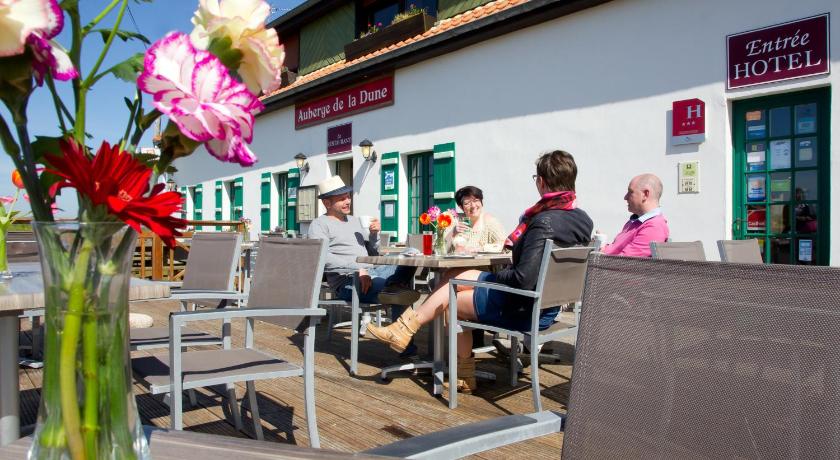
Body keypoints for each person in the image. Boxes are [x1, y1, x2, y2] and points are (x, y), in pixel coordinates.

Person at [367, 150, 593, 392]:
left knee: (450, 293)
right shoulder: (582, 219)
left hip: (525, 309)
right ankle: (441, 359)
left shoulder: (542, 221)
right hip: (546, 308)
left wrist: (491, 276)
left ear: (540, 181)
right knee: (453, 287)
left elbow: (523, 279)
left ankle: (411, 334)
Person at [307, 176, 420, 356]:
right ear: (327, 203)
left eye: (348, 196)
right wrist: (357, 268)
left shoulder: (355, 221)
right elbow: (322, 257)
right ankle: (407, 348)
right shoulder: (319, 225)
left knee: (411, 252)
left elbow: (373, 254)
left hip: (371, 271)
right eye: (342, 198)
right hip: (348, 281)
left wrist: (374, 235)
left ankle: (394, 288)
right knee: (400, 290)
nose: (348, 200)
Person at [598, 173, 669, 257]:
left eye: (630, 192)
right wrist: (602, 246)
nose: (625, 197)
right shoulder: (636, 221)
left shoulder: (654, 227)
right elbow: (617, 251)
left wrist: (598, 255)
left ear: (645, 194)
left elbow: (625, 262)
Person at [449, 186, 506, 253]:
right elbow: (439, 249)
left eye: (476, 200)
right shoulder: (456, 221)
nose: (473, 206)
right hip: (456, 263)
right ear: (461, 207)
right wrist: (452, 233)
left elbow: (505, 246)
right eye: (467, 203)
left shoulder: (490, 222)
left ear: (481, 202)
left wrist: (481, 249)